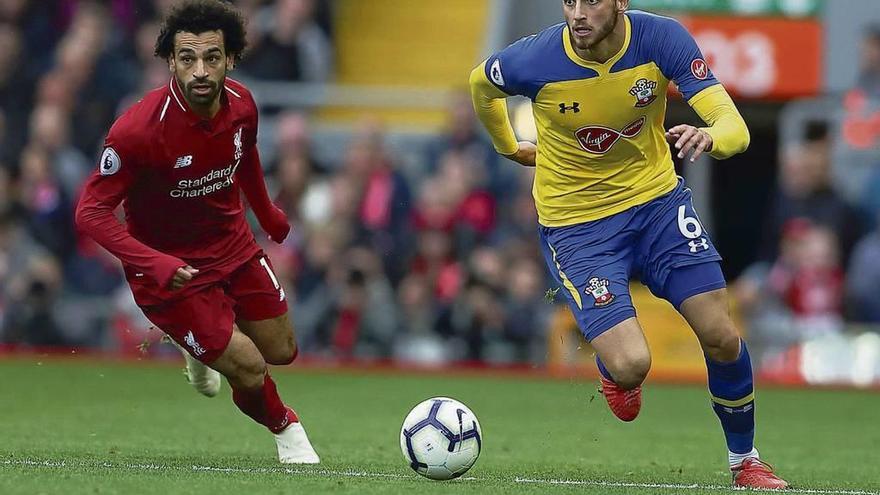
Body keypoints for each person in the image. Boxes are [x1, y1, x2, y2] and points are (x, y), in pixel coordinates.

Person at [469, 0, 785, 488]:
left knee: (722, 334)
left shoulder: (661, 40)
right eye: (569, 1)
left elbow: (735, 129)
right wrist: (508, 146)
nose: (578, 13)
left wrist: (710, 137)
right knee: (633, 365)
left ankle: (745, 461)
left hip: (656, 207)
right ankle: (615, 373)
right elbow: (480, 85)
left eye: (591, 0)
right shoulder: (533, 60)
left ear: (620, 3)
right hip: (578, 227)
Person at [74, 0, 318, 464]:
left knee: (282, 349)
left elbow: (243, 156)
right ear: (171, 61)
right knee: (248, 366)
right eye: (188, 58)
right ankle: (287, 430)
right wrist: (155, 262)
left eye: (212, 57)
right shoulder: (137, 131)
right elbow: (90, 213)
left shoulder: (244, 104)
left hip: (233, 246)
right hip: (170, 274)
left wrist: (267, 214)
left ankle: (202, 347)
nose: (200, 70)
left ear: (230, 59)